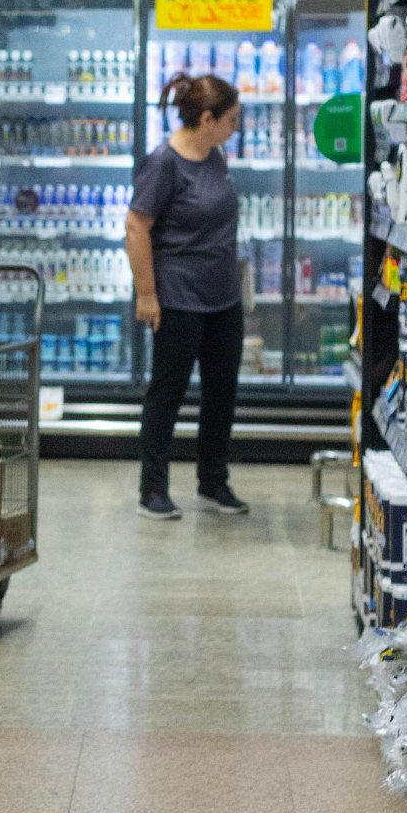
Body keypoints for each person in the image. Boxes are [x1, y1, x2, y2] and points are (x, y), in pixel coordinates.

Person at [125, 72, 249, 520]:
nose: (236, 127)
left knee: (222, 392)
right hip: (177, 297)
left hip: (223, 298)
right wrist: (147, 294)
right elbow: (137, 226)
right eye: (231, 120)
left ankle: (213, 481)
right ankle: (152, 489)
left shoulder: (215, 155)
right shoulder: (164, 163)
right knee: (168, 393)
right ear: (206, 118)